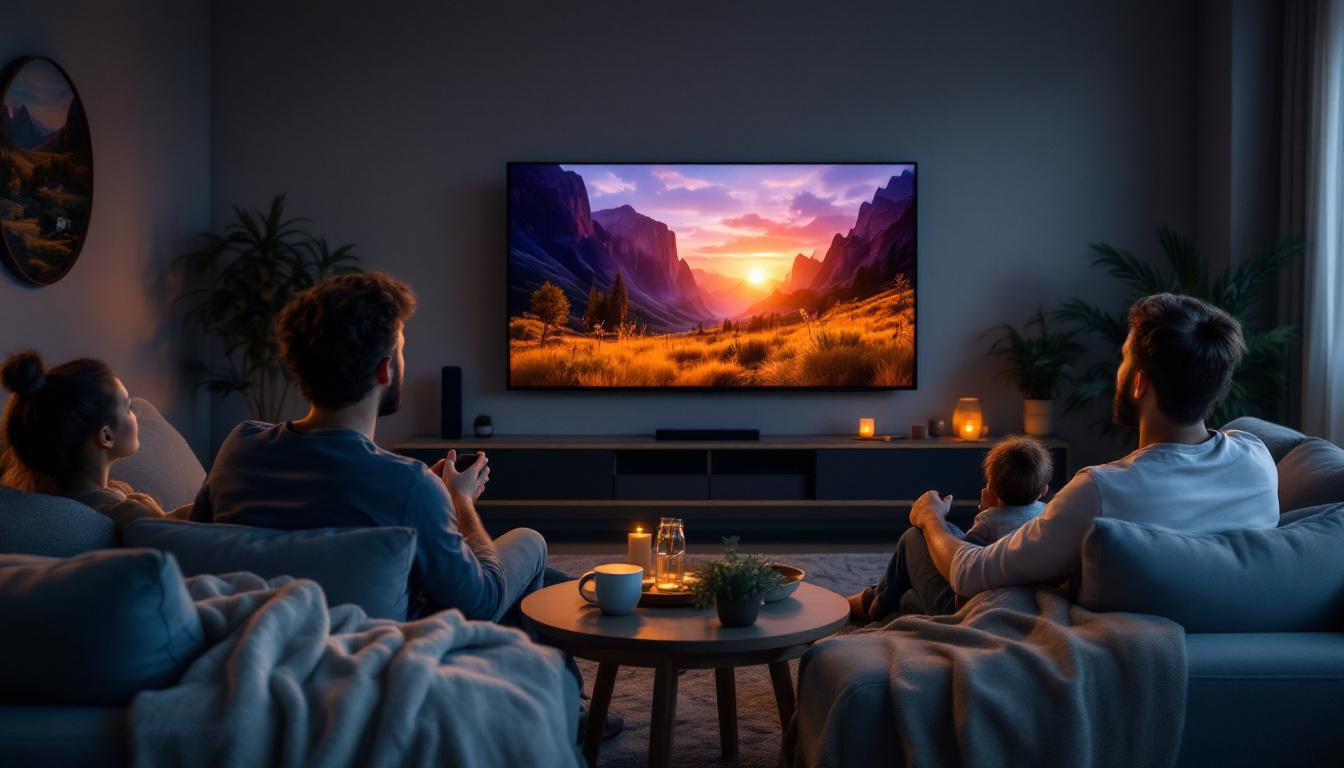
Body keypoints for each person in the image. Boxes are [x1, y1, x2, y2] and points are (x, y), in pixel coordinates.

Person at [887, 293, 1279, 615]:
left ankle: (885, 598)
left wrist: (931, 517)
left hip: (1067, 624)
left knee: (921, 539)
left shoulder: (1100, 490)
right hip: (1221, 634)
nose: (1117, 372)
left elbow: (970, 573)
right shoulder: (1256, 458)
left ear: (1140, 384)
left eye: (1124, 359)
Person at [848, 435, 1053, 622]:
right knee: (948, 529)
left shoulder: (989, 521)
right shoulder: (1047, 515)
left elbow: (964, 558)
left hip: (961, 605)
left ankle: (877, 603)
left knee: (913, 536)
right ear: (1044, 490)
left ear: (990, 486)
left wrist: (985, 512)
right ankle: (888, 595)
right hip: (1014, 591)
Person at [1, 351, 182, 525]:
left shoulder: (60, 505)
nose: (136, 414)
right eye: (128, 407)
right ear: (107, 436)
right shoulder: (126, 514)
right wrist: (156, 516)